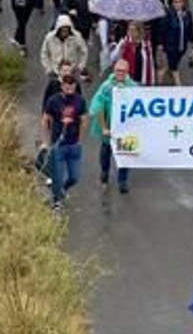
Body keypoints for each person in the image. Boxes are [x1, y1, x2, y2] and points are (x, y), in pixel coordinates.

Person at [39, 66, 86, 212]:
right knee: (57, 175)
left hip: (73, 145)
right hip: (58, 145)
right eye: (67, 88)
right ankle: (56, 201)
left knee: (74, 177)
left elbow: (84, 120)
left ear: (75, 86)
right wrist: (46, 142)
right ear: (62, 87)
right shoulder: (53, 100)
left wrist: (79, 140)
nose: (70, 90)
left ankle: (62, 190)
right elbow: (45, 119)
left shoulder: (80, 100)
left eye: (72, 87)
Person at [88, 59, 133, 193]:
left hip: (125, 129)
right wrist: (103, 127)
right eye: (118, 70)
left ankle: (123, 180)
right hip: (108, 126)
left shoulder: (132, 86)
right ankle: (104, 171)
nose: (120, 73)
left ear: (127, 72)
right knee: (106, 152)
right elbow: (97, 106)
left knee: (125, 154)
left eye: (123, 71)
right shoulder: (106, 87)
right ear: (114, 71)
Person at [157, 0, 193, 82]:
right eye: (175, 2)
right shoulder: (168, 14)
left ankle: (165, 74)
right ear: (172, 3)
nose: (178, 4)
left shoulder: (187, 14)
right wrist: (161, 44)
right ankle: (175, 84)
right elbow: (162, 30)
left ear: (183, 2)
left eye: (180, 2)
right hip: (170, 46)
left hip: (182, 46)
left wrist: (192, 45)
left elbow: (191, 29)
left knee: (172, 64)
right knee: (173, 67)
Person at [40, 11, 89, 85]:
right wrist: (48, 68)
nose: (65, 33)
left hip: (72, 71)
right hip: (55, 72)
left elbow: (84, 51)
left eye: (66, 30)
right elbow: (44, 53)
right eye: (63, 31)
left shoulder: (77, 37)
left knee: (73, 90)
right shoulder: (49, 38)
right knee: (53, 90)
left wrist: (80, 66)